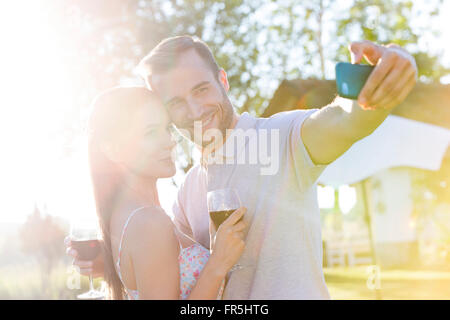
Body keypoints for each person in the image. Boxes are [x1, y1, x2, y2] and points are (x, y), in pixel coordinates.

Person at [68, 36, 417, 299]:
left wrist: (381, 84)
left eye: (202, 89)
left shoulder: (281, 139)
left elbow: (344, 119)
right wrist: (114, 263)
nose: (193, 110)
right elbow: (173, 274)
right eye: (176, 103)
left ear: (223, 80)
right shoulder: (190, 186)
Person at [67, 86, 246, 299]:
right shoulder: (149, 222)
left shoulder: (125, 217)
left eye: (167, 129)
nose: (169, 142)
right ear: (113, 149)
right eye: (151, 133)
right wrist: (218, 263)